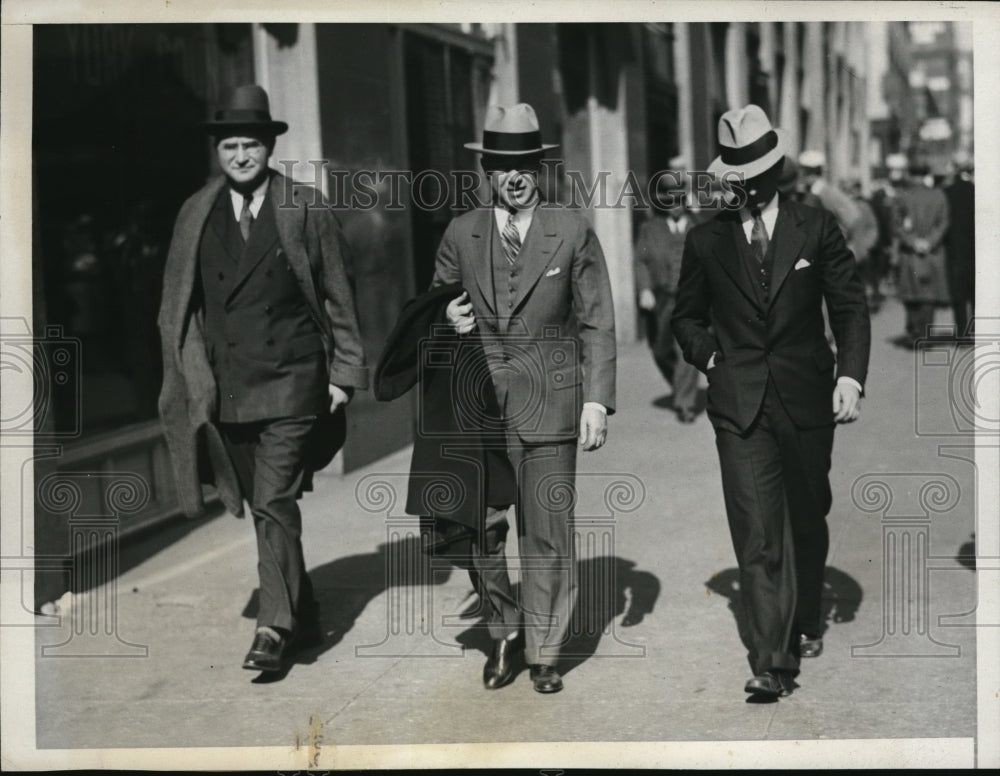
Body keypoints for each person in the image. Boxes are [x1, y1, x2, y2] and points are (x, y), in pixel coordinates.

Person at [157, 85, 369, 673]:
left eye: (251, 144)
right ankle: (304, 610)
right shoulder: (195, 214)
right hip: (228, 387)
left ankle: (273, 627)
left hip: (294, 381)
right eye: (231, 145)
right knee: (263, 506)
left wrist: (345, 373)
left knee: (273, 499)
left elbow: (339, 296)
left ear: (270, 147)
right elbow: (178, 307)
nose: (242, 155)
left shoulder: (304, 207)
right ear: (217, 151)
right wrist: (190, 380)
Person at [672, 105, 871, 699]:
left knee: (806, 517)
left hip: (807, 398)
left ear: (776, 169)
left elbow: (849, 308)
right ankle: (772, 661)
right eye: (741, 178)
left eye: (759, 175)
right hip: (739, 405)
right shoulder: (706, 240)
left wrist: (850, 377)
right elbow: (686, 318)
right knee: (758, 531)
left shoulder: (817, 227)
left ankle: (806, 614)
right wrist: (712, 360)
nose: (751, 187)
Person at [431, 103, 616, 694]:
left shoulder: (572, 228)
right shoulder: (461, 233)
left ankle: (543, 651)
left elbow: (597, 320)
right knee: (480, 530)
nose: (514, 177)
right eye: (502, 167)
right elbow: (432, 306)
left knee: (547, 533)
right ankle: (505, 629)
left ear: (540, 169)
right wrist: (446, 316)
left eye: (525, 166)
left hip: (552, 404)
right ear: (486, 171)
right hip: (478, 407)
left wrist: (597, 401)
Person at [635, 167, 700, 423]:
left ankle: (686, 403)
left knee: (687, 351)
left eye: (679, 200)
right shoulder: (649, 229)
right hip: (661, 299)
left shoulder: (699, 227)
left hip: (691, 300)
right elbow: (640, 261)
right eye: (669, 201)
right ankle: (681, 384)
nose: (674, 205)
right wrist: (645, 289)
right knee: (660, 350)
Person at [892, 161, 951, 345]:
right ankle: (925, 333)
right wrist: (930, 241)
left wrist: (912, 242)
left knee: (911, 294)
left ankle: (914, 331)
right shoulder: (939, 195)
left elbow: (896, 225)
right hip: (933, 253)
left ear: (910, 174)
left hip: (910, 253)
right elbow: (944, 223)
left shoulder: (902, 196)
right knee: (928, 295)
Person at [943, 158, 975, 339]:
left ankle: (962, 333)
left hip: (954, 251)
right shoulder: (978, 191)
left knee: (959, 295)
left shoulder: (947, 192)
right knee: (977, 294)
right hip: (978, 252)